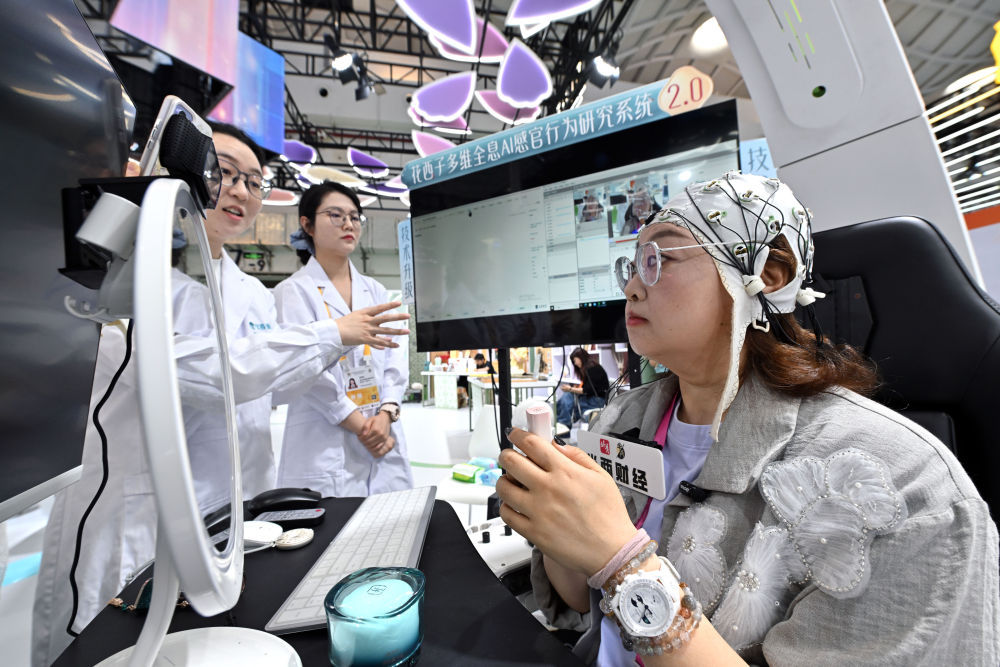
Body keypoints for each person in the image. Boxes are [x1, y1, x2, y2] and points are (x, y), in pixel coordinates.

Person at [497, 171, 999, 666]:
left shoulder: (902, 487)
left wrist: (622, 562)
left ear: (769, 274)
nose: (631, 287)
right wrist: (554, 519)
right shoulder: (622, 417)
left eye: (658, 259)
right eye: (632, 266)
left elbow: (610, 568)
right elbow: (581, 602)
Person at [32, 124, 409, 666]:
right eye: (224, 173)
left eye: (254, 181)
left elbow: (277, 385)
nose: (240, 191)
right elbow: (209, 376)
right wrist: (330, 337)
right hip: (145, 511)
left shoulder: (252, 291)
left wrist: (368, 390)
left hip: (238, 504)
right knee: (121, 648)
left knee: (220, 640)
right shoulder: (129, 280)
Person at [274, 181, 414, 497]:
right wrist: (359, 424)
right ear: (307, 224)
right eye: (335, 215)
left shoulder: (376, 291)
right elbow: (304, 369)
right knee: (333, 523)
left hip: (382, 429)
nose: (348, 224)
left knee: (391, 520)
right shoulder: (293, 292)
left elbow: (396, 354)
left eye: (354, 217)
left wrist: (387, 412)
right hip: (325, 439)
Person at [556, 347, 610, 430]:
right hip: (593, 398)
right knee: (565, 401)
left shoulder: (592, 369)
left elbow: (586, 390)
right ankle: (563, 425)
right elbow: (588, 387)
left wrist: (570, 389)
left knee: (567, 400)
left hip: (597, 401)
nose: (575, 363)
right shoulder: (591, 367)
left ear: (580, 357)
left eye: (575, 360)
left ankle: (563, 426)